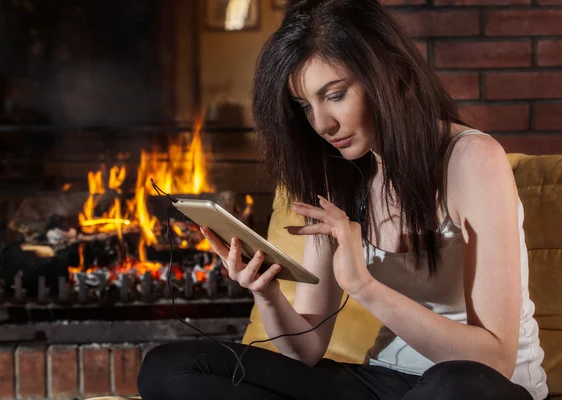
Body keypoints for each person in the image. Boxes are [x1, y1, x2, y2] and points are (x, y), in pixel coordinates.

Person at [138, 0, 549, 399]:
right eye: (305, 105)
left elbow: (494, 360)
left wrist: (362, 286)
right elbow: (307, 348)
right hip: (383, 382)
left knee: (455, 386)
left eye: (334, 95)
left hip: (478, 387)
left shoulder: (472, 159)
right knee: (170, 367)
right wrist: (265, 292)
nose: (321, 124)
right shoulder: (340, 173)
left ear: (390, 75)